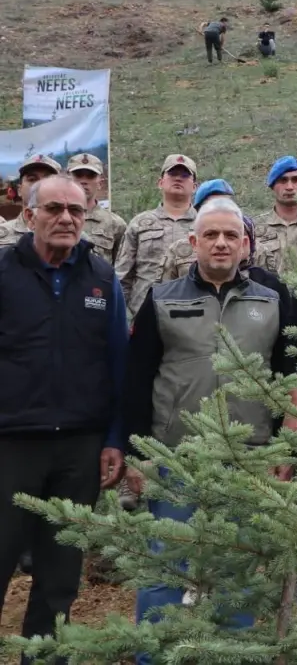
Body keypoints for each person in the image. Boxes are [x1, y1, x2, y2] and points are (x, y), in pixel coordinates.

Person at [123, 198, 293, 663]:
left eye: (231, 236)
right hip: (175, 457)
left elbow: (290, 378)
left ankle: (230, 654)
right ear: (193, 242)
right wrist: (138, 454)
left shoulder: (273, 299)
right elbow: (137, 380)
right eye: (211, 235)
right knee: (165, 568)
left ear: (245, 245)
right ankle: (154, 656)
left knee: (237, 569)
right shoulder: (162, 299)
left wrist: (286, 446)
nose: (221, 243)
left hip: (248, 458)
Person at [0, 176, 128, 659]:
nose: (68, 218)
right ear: (29, 216)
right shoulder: (4, 272)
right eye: (55, 208)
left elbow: (118, 361)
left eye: (77, 209)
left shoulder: (101, 277)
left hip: (80, 448)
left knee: (59, 578)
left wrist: (115, 438)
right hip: (9, 444)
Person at [116, 154, 197, 316]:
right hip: (142, 313)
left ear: (194, 186)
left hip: (191, 315)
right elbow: (122, 277)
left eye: (185, 175)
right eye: (172, 174)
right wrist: (125, 317)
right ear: (160, 182)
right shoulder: (140, 223)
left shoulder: (205, 225)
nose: (178, 179)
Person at [158, 179, 237, 281]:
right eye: (212, 207)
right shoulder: (179, 250)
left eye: (226, 205)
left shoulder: (246, 246)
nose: (220, 211)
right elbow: (164, 292)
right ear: (198, 212)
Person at [254, 156, 297, 276]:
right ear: (272, 186)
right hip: (268, 294)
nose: (289, 187)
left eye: (295, 180)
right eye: (283, 180)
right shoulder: (255, 229)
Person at [66, 153, 128, 264]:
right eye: (78, 175)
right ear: (67, 179)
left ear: (100, 183)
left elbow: (120, 270)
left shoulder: (116, 224)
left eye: (90, 176)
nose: (84, 181)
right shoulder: (55, 218)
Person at [0, 154, 63, 248]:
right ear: (19, 190)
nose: (39, 185)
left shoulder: (73, 234)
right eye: (32, 179)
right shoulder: (2, 234)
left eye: (48, 179)